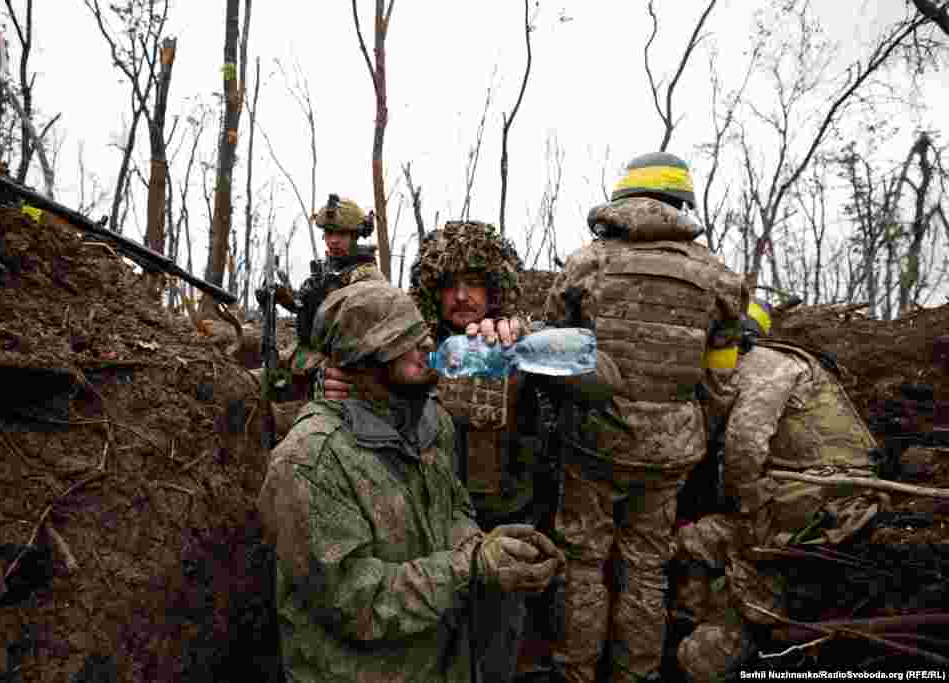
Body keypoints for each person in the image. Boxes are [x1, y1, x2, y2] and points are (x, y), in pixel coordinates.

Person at [322, 220, 622, 682]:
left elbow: (605, 379)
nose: (461, 296)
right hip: (423, 526)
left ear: (495, 286)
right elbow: (341, 394)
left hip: (505, 518)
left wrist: (527, 342)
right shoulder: (404, 345)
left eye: (474, 283)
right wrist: (340, 382)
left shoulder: (514, 338)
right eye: (449, 285)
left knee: (497, 644)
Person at [257, 279, 565, 683]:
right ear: (362, 359)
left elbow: (452, 510)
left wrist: (487, 549)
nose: (425, 345)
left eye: (420, 331)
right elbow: (354, 600)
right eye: (402, 339)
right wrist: (469, 567)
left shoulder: (429, 424)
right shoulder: (310, 462)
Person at [542, 151, 749, 683]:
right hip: (669, 455)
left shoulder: (587, 263)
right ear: (682, 203)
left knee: (584, 563)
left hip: (592, 445)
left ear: (624, 199)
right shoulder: (720, 278)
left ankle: (575, 673)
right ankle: (635, 675)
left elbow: (554, 350)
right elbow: (722, 383)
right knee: (648, 567)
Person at [673, 300, 886, 682]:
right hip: (809, 489)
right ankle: (695, 614)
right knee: (692, 541)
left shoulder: (767, 365)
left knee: (692, 541)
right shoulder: (757, 365)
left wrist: (747, 505)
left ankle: (711, 637)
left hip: (820, 493)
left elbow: (744, 444)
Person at [268, 193, 384, 437]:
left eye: (340, 234)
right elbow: (305, 306)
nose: (333, 241)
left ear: (354, 236)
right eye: (329, 234)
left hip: (346, 365)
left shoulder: (366, 276)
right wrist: (281, 297)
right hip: (310, 353)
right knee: (266, 377)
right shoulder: (326, 270)